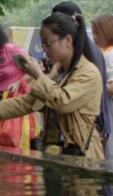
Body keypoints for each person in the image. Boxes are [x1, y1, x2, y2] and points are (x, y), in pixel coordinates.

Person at [0, 13, 104, 159]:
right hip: (56, 153)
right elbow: (27, 101)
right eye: (42, 44)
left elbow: (63, 102)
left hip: (82, 155)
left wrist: (38, 75)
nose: (44, 49)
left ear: (68, 40)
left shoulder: (89, 73)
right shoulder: (57, 73)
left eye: (47, 43)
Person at [52, 1, 111, 141]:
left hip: (89, 127)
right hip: (91, 125)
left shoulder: (83, 49)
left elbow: (66, 100)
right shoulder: (90, 47)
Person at [91, 15, 113, 159]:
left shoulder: (110, 55)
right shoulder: (106, 53)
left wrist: (90, 84)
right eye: (93, 33)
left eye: (97, 32)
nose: (94, 37)